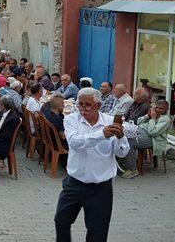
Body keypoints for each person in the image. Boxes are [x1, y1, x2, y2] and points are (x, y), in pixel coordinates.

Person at [54, 87, 129, 242]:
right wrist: (102, 134)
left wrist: (121, 137)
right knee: (61, 220)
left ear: (98, 106)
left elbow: (122, 153)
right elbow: (75, 143)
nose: (83, 108)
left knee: (98, 230)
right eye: (80, 104)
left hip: (100, 186)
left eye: (87, 105)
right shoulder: (71, 120)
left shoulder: (109, 121)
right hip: (74, 183)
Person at [122, 100, 172, 179]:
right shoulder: (153, 113)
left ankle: (133, 169)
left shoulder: (166, 119)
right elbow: (138, 122)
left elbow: (153, 132)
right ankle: (123, 160)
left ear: (167, 109)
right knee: (122, 135)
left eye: (161, 109)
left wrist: (152, 119)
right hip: (141, 132)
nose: (158, 110)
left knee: (129, 142)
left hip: (154, 140)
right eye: (157, 108)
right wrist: (148, 116)